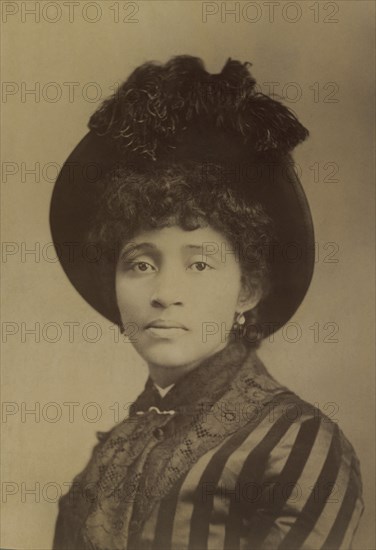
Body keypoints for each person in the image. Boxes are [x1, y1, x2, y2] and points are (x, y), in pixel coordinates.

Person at [50, 56, 363, 550]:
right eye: (140, 264)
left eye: (199, 264)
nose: (164, 293)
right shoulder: (108, 459)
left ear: (248, 288)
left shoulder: (296, 446)